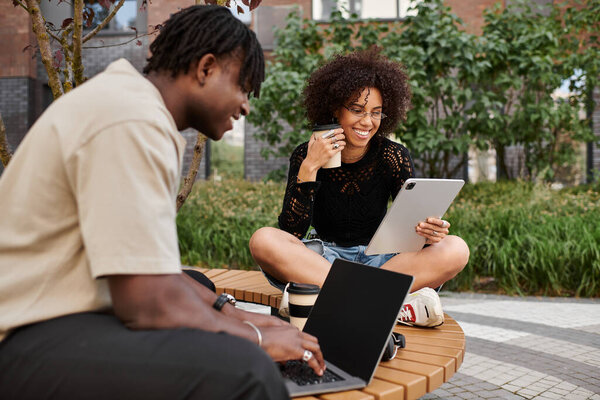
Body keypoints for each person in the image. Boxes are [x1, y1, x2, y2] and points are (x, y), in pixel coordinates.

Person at [0, 6, 324, 399]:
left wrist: (232, 312)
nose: (245, 105)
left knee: (197, 285)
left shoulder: (130, 104)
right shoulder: (130, 120)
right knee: (248, 371)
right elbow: (147, 303)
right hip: (22, 339)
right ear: (205, 68)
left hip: (57, 316)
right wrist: (254, 336)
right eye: (242, 87)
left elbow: (158, 273)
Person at [249, 48, 470, 327]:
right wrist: (310, 167)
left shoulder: (393, 156)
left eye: (376, 113)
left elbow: (408, 230)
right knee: (263, 240)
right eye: (357, 110)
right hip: (324, 261)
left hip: (383, 261)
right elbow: (292, 232)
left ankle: (340, 299)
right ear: (334, 109)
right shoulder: (305, 154)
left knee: (456, 248)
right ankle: (389, 302)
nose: (367, 122)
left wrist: (428, 233)